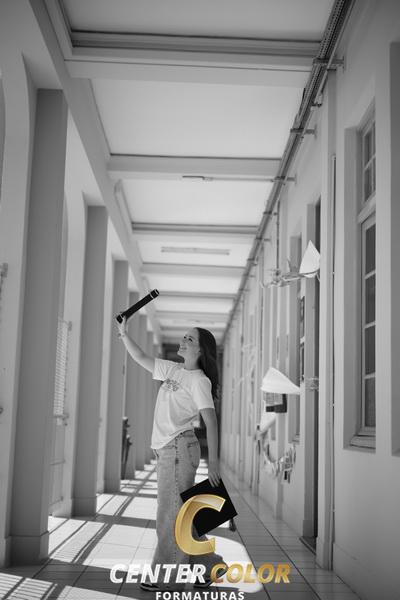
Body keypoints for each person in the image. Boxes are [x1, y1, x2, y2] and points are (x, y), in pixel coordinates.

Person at [117, 319, 226, 591]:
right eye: (184, 336)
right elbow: (141, 357)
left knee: (169, 515)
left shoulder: (199, 380)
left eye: (190, 339)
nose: (183, 341)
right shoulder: (173, 369)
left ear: (200, 350)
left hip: (178, 448)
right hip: (169, 450)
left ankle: (168, 577)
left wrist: (214, 463)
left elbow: (211, 421)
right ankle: (209, 566)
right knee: (180, 513)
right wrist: (124, 334)